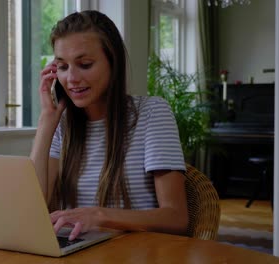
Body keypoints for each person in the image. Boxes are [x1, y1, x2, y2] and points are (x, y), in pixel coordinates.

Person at [30, 10, 188, 241]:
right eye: (62, 67)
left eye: (84, 64)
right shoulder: (61, 125)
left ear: (113, 64)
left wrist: (99, 215)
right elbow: (31, 208)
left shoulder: (152, 112)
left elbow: (176, 219)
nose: (71, 78)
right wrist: (46, 121)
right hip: (76, 253)